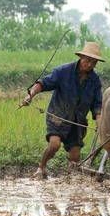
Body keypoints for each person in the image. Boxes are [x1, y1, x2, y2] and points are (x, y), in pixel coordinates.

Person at [20, 42, 104, 179]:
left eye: (93, 62)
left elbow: (97, 107)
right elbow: (42, 83)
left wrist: (101, 126)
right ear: (81, 57)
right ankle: (41, 167)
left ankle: (70, 178)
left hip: (78, 122)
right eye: (88, 60)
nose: (89, 65)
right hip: (58, 116)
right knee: (54, 145)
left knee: (75, 157)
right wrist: (30, 95)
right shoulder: (63, 71)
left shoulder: (95, 81)